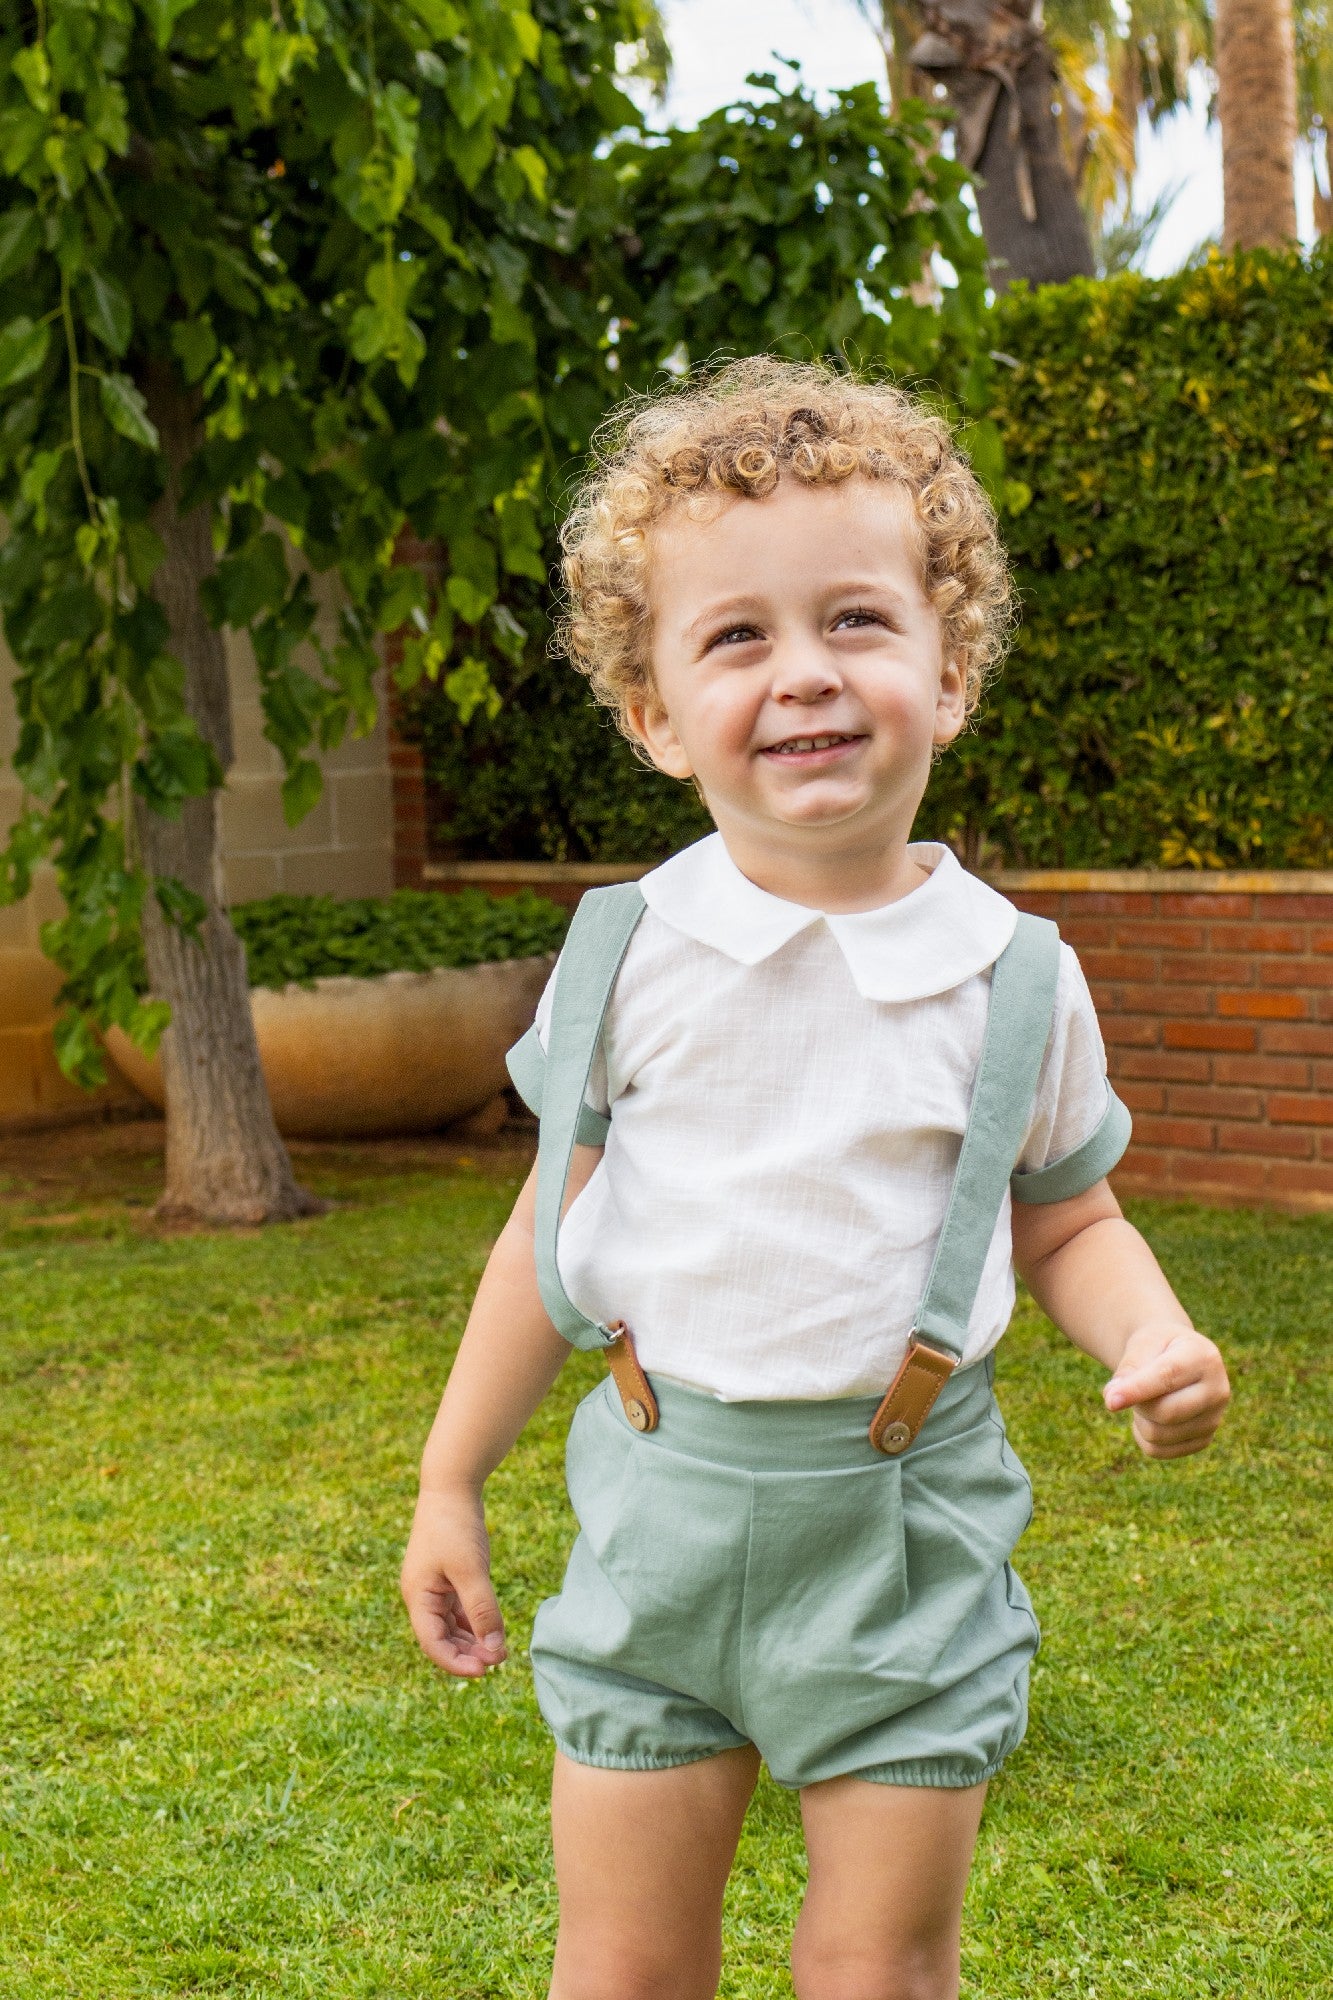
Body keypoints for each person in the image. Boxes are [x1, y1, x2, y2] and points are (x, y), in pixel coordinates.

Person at [400, 358, 1230, 2000]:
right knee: (624, 1968)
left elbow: (1067, 1216)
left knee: (878, 1972)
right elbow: (544, 1230)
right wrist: (449, 1477)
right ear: (650, 714)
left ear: (952, 667)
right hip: (656, 1524)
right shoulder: (624, 954)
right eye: (735, 638)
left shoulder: (1014, 977)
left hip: (902, 1543)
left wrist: (1150, 1332)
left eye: (857, 620)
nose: (804, 677)